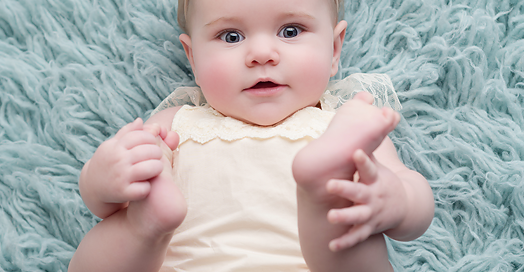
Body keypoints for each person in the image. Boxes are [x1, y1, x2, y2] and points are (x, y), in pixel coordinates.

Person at [68, 0, 435, 271]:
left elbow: (416, 200)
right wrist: (101, 179)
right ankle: (147, 224)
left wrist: (397, 201)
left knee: (355, 245)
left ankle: (324, 195)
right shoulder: (176, 123)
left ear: (334, 49)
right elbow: (103, 205)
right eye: (231, 36)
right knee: (111, 241)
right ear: (193, 58)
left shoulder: (345, 127)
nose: (261, 54)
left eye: (290, 31)